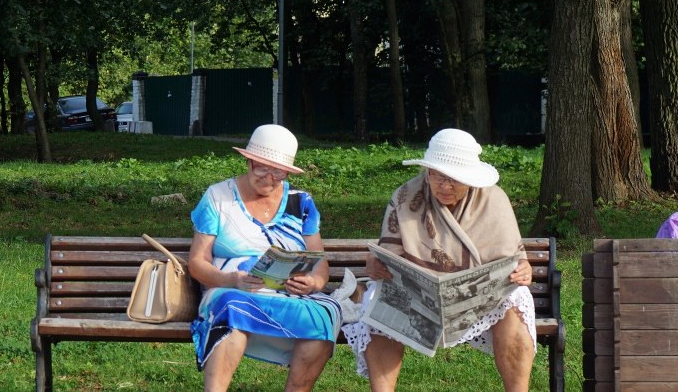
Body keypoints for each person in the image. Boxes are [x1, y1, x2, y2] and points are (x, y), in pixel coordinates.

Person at [344, 128, 535, 392]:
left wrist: (523, 271)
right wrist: (376, 264)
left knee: (517, 298)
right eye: (437, 176)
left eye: (454, 179)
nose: (444, 186)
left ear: (469, 178)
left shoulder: (494, 200)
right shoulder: (406, 195)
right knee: (381, 298)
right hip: (417, 296)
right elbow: (389, 254)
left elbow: (515, 261)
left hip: (475, 301)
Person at [188, 124, 341, 392]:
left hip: (289, 295)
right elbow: (197, 263)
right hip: (231, 289)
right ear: (248, 161)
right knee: (231, 307)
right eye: (262, 168)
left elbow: (320, 264)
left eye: (278, 172)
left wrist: (314, 283)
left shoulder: (301, 202)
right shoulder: (218, 197)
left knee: (324, 315)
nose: (270, 178)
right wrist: (231, 279)